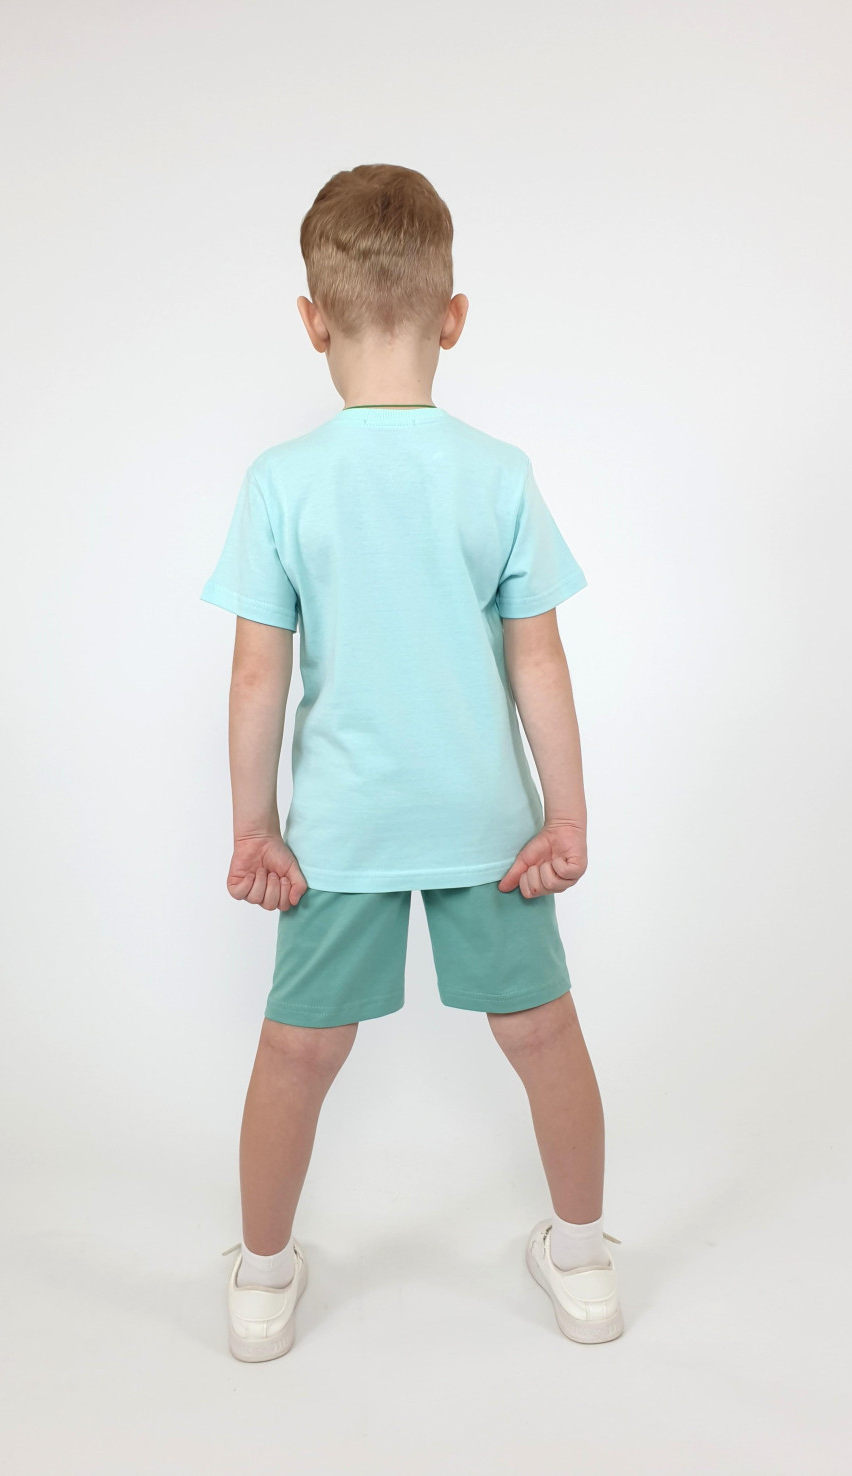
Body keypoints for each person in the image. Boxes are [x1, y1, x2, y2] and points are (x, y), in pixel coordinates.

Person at [201, 164, 622, 1362]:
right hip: (490, 826)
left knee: (296, 1050)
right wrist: (566, 817)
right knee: (544, 1037)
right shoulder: (499, 474)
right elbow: (541, 663)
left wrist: (255, 827)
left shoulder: (281, 483)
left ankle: (263, 1281)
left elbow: (256, 678)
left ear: (312, 321)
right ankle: (584, 1263)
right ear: (453, 316)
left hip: (342, 826)